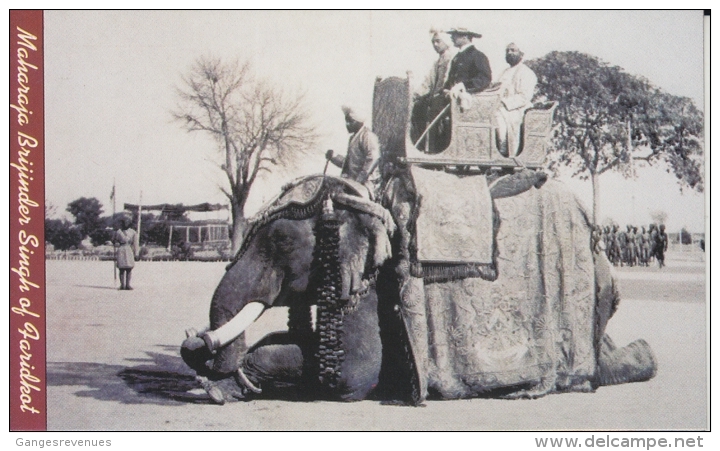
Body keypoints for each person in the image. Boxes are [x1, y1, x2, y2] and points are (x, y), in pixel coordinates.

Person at [412, 30, 456, 153]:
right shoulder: (437, 62)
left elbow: (448, 80)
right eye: (433, 42)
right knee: (418, 107)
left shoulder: (452, 58)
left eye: (438, 41)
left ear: (446, 42)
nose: (435, 45)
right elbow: (428, 82)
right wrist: (416, 95)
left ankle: (436, 151)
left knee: (435, 111)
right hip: (436, 97)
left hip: (446, 97)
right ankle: (420, 147)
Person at [326, 106, 381, 198]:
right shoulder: (353, 138)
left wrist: (359, 181)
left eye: (351, 121)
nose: (347, 124)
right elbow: (349, 164)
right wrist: (333, 157)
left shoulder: (367, 136)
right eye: (346, 121)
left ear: (359, 122)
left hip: (366, 184)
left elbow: (373, 158)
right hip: (352, 183)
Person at [495, 43, 537, 157]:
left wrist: (504, 103)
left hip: (517, 109)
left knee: (498, 118)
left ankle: (505, 152)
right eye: (507, 50)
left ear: (521, 54)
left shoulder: (526, 73)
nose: (509, 53)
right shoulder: (505, 72)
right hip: (502, 106)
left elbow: (524, 96)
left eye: (513, 50)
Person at [443, 28, 492, 95]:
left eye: (455, 35)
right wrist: (446, 89)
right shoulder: (456, 57)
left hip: (470, 99)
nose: (451, 37)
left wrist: (464, 85)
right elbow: (451, 80)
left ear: (465, 37)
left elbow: (485, 78)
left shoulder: (478, 55)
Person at [113, 212, 139, 290]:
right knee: (121, 268)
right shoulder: (118, 232)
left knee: (129, 268)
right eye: (124, 222)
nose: (125, 223)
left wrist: (136, 253)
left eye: (127, 222)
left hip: (129, 249)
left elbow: (135, 244)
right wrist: (115, 242)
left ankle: (128, 284)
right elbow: (114, 241)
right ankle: (122, 285)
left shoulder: (133, 232)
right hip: (121, 249)